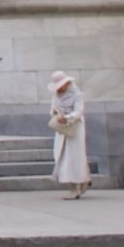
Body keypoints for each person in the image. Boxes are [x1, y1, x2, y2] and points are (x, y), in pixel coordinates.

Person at [48, 70, 90, 199]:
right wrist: (56, 114)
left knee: (74, 157)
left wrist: (67, 117)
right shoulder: (56, 95)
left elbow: (79, 112)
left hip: (75, 128)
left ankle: (75, 187)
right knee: (60, 155)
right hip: (61, 129)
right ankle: (82, 180)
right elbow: (52, 109)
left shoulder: (77, 95)